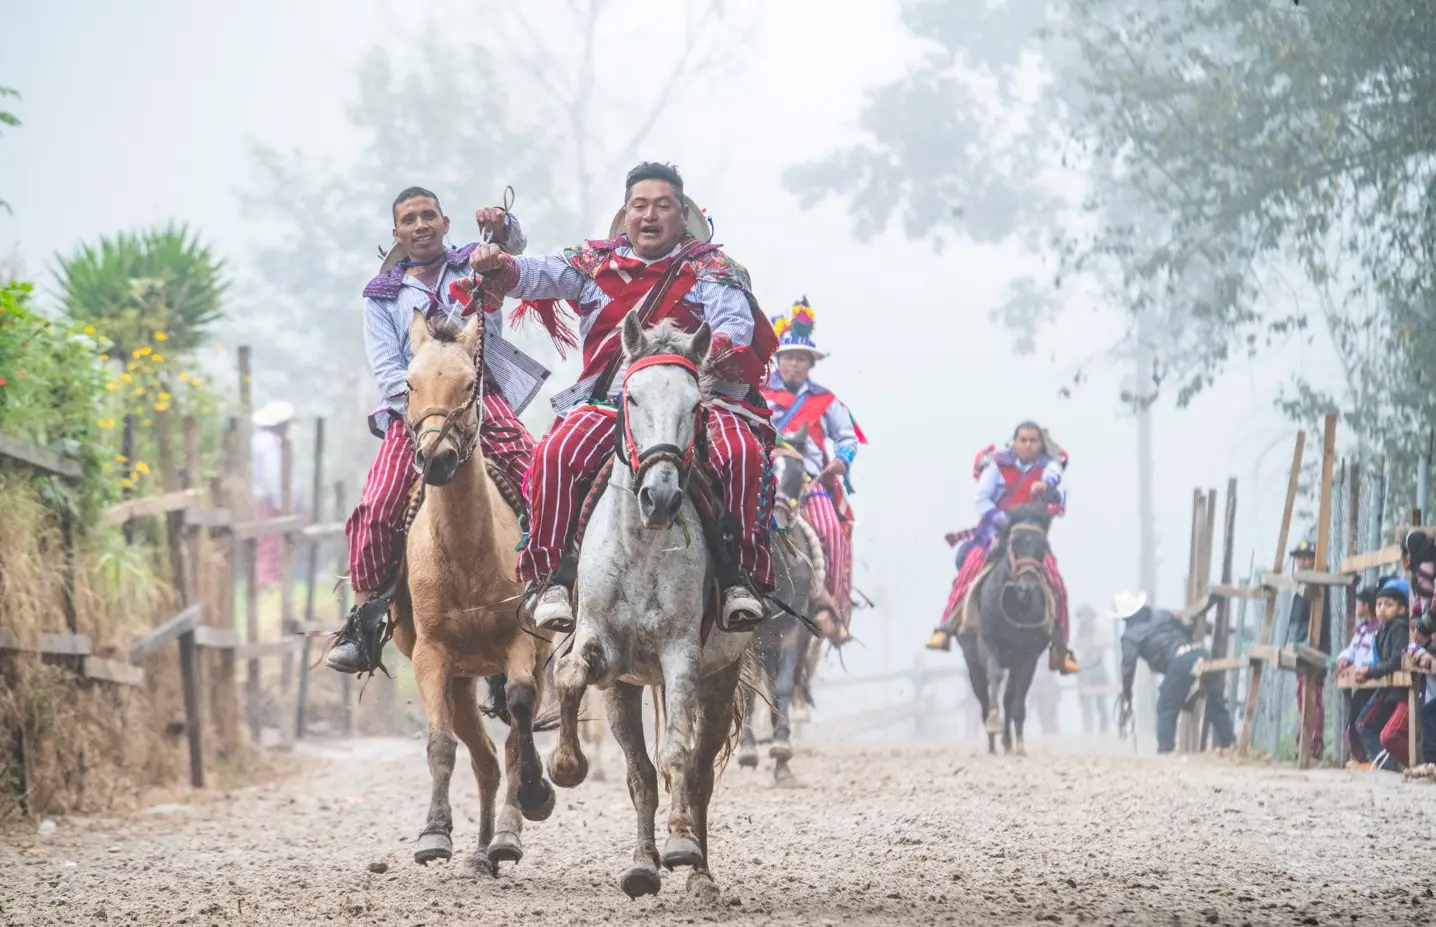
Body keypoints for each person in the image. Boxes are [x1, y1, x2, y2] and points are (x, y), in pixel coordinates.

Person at [469, 161, 779, 633]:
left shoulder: (715, 270)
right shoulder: (592, 262)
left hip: (694, 399)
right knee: (554, 453)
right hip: (613, 404)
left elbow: (735, 328)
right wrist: (499, 262)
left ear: (682, 215)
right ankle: (549, 577)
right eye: (640, 206)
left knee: (743, 454)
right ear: (625, 213)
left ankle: (741, 578)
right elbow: (530, 275)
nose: (649, 216)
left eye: (662, 206)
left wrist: (683, 360)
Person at [325, 187, 545, 674]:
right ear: (396, 234)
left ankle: (559, 589)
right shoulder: (381, 296)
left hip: (480, 400)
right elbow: (387, 371)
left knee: (540, 479)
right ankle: (365, 624)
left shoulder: (478, 263)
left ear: (447, 224)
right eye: (409, 219)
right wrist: (427, 411)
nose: (420, 225)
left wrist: (505, 226)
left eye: (429, 216)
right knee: (376, 508)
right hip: (417, 412)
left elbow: (515, 252)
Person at [926, 422, 1077, 675]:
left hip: (1030, 537)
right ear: (1014, 442)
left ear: (1040, 444)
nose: (1028, 445)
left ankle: (1060, 647)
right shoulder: (997, 465)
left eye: (1033, 441)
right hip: (996, 533)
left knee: (1056, 581)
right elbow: (982, 500)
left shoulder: (1046, 468)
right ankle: (947, 625)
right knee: (970, 568)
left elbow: (1055, 473)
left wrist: (1045, 486)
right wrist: (1003, 521)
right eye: (1023, 440)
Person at [759, 297, 865, 630]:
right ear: (778, 360)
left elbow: (847, 439)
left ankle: (829, 605)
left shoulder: (827, 401)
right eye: (789, 357)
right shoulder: (758, 393)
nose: (794, 364)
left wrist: (841, 461)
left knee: (832, 530)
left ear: (810, 364)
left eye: (801, 359)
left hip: (810, 481)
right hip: (762, 476)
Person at [1113, 590, 1236, 754]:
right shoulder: (1163, 615)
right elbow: (1186, 628)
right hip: (1200, 654)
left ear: (1123, 617)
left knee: (1165, 705)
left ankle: (1165, 749)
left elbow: (1128, 666)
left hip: (1179, 662)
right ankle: (1229, 744)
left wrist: (1126, 691)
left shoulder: (1130, 635)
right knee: (1216, 702)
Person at [1353, 577, 1411, 770]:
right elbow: (1381, 661)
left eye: (1389, 604)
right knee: (1363, 723)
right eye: (1378, 604)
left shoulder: (1399, 627)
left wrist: (1370, 671)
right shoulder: (1382, 630)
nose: (1382, 608)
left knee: (1367, 725)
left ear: (1402, 609)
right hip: (1388, 687)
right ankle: (1389, 765)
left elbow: (1396, 660)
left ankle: (1395, 767)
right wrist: (1367, 671)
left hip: (1398, 690)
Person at [1286, 538, 1332, 760]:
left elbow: (1316, 623)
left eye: (1307, 558)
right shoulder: (1301, 585)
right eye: (1299, 558)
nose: (1302, 563)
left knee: (1312, 696)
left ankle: (1312, 745)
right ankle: (1303, 741)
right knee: (1303, 696)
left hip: (1314, 648)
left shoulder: (1318, 583)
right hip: (1301, 650)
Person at [1335, 582, 1382, 769]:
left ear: (1367, 605)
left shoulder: (1378, 630)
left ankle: (1373, 759)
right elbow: (1351, 649)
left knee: (1366, 720)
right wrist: (1344, 659)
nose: (1357, 606)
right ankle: (1362, 759)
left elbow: (1375, 655)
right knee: (1352, 719)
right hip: (1361, 685)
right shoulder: (1362, 629)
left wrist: (1358, 666)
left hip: (1373, 684)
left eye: (1359, 602)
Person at [250, 399, 294, 588]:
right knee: (269, 540)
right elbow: (272, 474)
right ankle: (266, 579)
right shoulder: (269, 443)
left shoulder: (259, 439)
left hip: (260, 496)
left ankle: (269, 577)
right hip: (266, 498)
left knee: (268, 539)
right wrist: (280, 500)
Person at [1073, 605, 1112, 736]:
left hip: (1098, 671)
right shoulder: (1080, 632)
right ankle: (1088, 730)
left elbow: (1100, 646)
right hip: (1084, 671)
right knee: (1085, 705)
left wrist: (1089, 646)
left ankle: (1103, 731)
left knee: (1101, 704)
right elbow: (1077, 646)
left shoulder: (1099, 631)